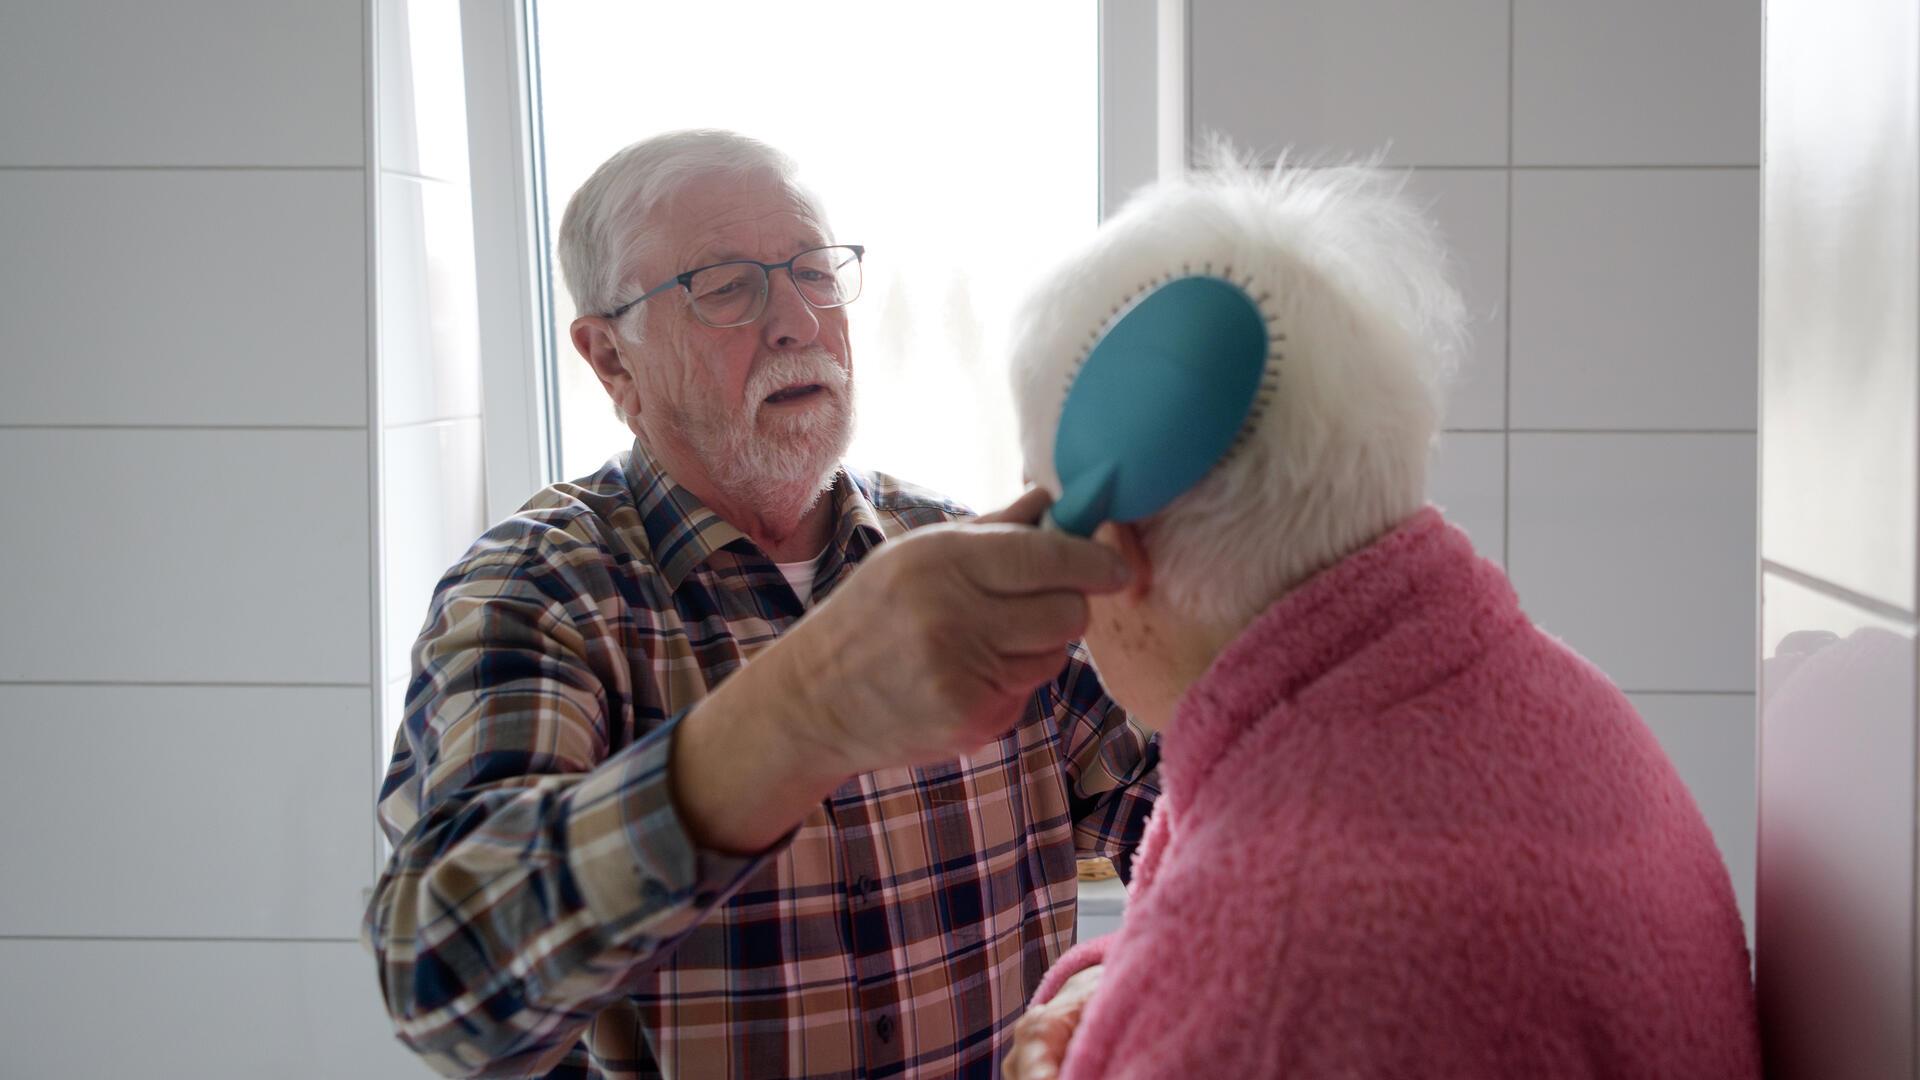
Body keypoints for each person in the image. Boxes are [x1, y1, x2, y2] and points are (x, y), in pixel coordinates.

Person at [363, 129, 1160, 1079]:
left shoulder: (955, 559)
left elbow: (1185, 808)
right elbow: (444, 983)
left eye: (814, 272)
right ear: (611, 359)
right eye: (727, 286)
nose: (797, 322)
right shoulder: (541, 592)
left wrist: (1111, 975)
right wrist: (798, 717)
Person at [999, 156, 1762, 1079]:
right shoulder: (1539, 696)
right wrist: (1122, 988)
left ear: (1110, 542)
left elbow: (1280, 974)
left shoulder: (1276, 959)